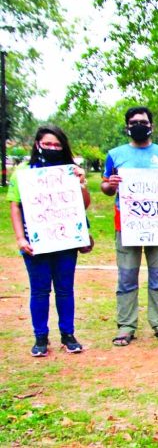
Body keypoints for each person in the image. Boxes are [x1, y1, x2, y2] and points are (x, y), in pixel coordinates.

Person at [8, 126, 92, 356]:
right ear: (37, 144)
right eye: (48, 144)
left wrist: (81, 183)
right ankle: (41, 338)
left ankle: (68, 334)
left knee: (65, 289)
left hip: (65, 240)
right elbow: (15, 206)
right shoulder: (23, 172)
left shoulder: (70, 172)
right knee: (39, 290)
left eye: (57, 145)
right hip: (36, 241)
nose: (53, 148)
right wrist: (20, 238)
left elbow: (84, 204)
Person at [102, 106, 158, 346]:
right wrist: (111, 184)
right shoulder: (115, 155)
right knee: (127, 275)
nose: (139, 125)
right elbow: (105, 187)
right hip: (127, 224)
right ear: (127, 126)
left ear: (151, 126)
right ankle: (126, 325)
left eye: (144, 122)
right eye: (134, 122)